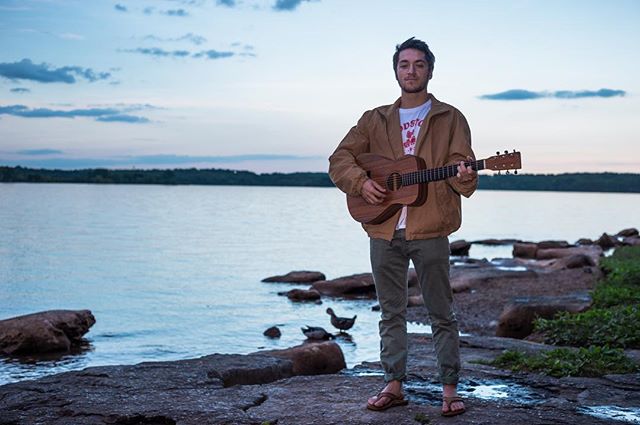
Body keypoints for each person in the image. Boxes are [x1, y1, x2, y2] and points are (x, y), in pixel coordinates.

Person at [328, 37, 477, 417]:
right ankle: (393, 384)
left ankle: (449, 389)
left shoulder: (451, 118)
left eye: (419, 64)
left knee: (441, 312)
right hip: (383, 229)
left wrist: (464, 175)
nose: (411, 71)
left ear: (430, 69)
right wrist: (361, 183)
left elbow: (464, 178)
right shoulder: (373, 119)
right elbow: (339, 158)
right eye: (404, 64)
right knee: (390, 312)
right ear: (396, 71)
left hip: (430, 229)